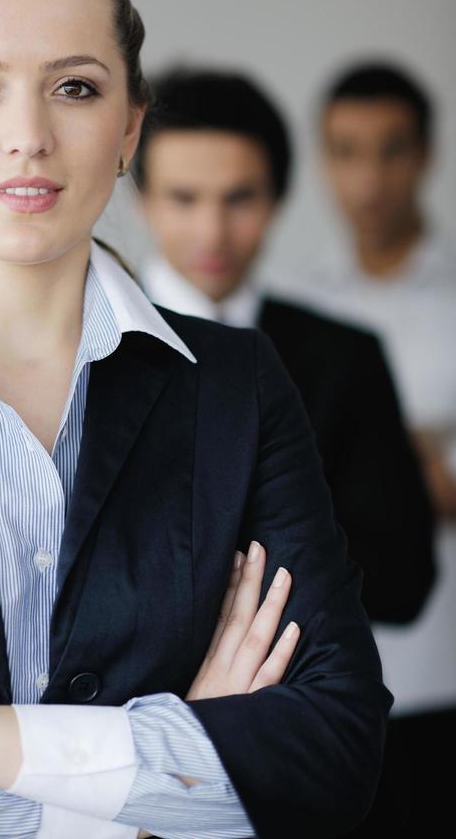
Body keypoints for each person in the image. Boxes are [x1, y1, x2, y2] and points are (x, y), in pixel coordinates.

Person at [0, 0, 393, 839]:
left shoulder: (236, 383)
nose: (29, 137)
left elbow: (333, 749)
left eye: (74, 88)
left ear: (128, 129)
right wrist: (149, 796)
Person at [133, 65, 436, 625]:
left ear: (277, 198)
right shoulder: (87, 343)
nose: (213, 232)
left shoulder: (346, 355)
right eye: (184, 198)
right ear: (141, 199)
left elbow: (403, 579)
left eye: (239, 198)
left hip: (304, 699)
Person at [270, 59, 456, 834]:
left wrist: (380, 459)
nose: (369, 177)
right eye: (346, 150)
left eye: (390, 149)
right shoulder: (299, 310)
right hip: (333, 682)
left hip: (446, 666)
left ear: (426, 154)